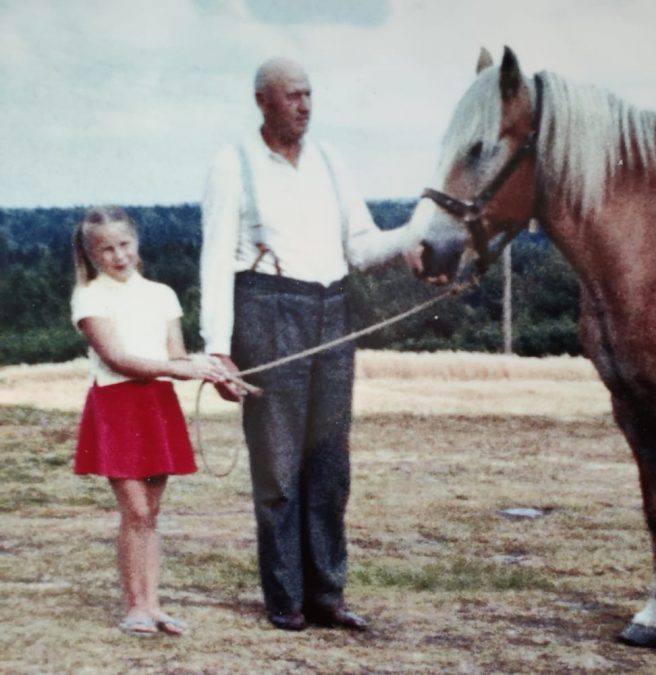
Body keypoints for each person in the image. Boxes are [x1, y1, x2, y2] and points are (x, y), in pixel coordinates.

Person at [199, 57, 425, 632]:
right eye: (292, 95)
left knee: (330, 464)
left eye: (309, 94)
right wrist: (217, 349)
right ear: (263, 102)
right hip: (266, 309)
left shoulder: (330, 160)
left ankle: (327, 594)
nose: (304, 105)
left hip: (332, 312)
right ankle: (286, 599)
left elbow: (361, 245)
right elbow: (216, 259)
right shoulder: (233, 164)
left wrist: (412, 239)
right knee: (277, 466)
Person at [71, 206, 228, 637]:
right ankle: (135, 606)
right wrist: (179, 369)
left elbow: (175, 356)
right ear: (90, 253)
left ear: (136, 243)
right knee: (135, 509)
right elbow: (117, 358)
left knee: (151, 513)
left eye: (124, 244)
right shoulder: (89, 296)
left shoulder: (162, 294)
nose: (118, 255)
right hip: (116, 406)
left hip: (156, 404)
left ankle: (154, 606)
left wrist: (207, 367)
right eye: (106, 249)